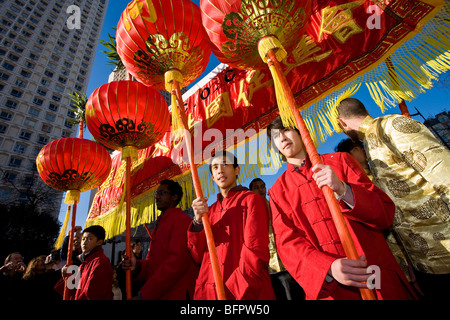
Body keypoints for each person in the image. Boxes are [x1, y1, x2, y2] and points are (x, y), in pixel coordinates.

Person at [266, 116, 417, 300]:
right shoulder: (277, 191)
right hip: (330, 288)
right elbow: (287, 244)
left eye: (286, 130)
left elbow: (383, 214)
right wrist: (327, 267)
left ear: (301, 132)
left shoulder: (341, 161)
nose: (281, 138)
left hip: (374, 274)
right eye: (275, 136)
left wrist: (343, 189)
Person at [336, 97, 450, 298]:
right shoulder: (370, 143)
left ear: (341, 122)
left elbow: (442, 171)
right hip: (426, 259)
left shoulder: (391, 125)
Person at [189, 151, 275, 300]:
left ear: (236, 170)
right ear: (212, 176)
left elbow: (256, 250)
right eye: (215, 168)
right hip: (207, 293)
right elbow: (197, 256)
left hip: (243, 292)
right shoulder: (209, 210)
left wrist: (236, 288)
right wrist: (197, 221)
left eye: (225, 165)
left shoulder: (252, 200)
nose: (220, 170)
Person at [121, 179, 199, 300]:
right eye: (156, 193)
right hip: (159, 293)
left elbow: (176, 264)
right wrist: (136, 266)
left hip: (176, 293)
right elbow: (153, 264)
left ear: (174, 197)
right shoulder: (160, 223)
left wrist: (144, 295)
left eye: (162, 193)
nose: (157, 197)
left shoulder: (181, 220)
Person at [249, 178, 305, 300]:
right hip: (268, 264)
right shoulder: (249, 212)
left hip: (287, 259)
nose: (260, 190)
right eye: (256, 187)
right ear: (251, 191)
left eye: (262, 186)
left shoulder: (275, 204)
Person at [55, 225, 113, 300]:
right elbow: (75, 289)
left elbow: (93, 294)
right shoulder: (85, 262)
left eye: (89, 239)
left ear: (99, 242)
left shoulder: (100, 262)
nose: (84, 242)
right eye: (83, 239)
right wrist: (67, 276)